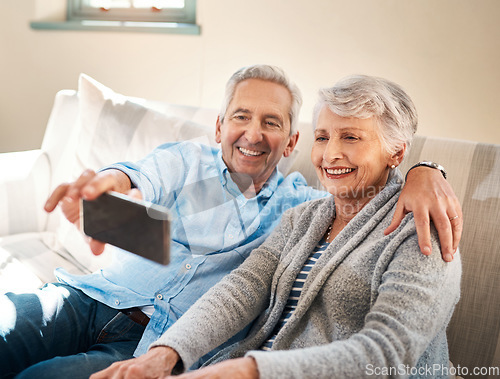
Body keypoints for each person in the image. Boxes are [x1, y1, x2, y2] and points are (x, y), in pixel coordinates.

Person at [0, 66, 461, 379]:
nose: (254, 133)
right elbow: (143, 179)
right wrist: (107, 187)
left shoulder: (303, 206)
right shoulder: (193, 162)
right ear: (220, 126)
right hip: (92, 296)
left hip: (151, 336)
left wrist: (427, 171)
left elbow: (388, 348)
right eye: (241, 116)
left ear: (290, 140)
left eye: (272, 122)